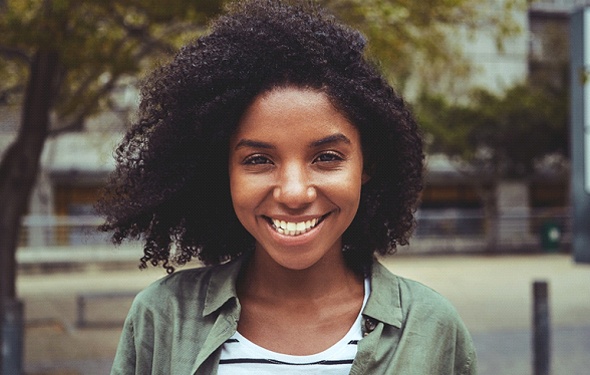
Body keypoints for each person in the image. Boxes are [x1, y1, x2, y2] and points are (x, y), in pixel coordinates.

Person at [97, 0, 477, 374]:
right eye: (258, 160)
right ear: (222, 171)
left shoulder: (430, 327)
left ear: (368, 165)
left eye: (327, 157)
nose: (294, 193)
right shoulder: (162, 317)